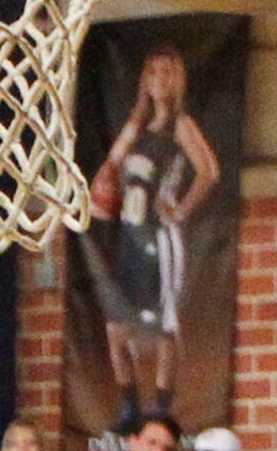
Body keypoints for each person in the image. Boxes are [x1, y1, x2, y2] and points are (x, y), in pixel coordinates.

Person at [89, 45, 218, 428]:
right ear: (144, 80)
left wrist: (181, 209)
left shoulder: (181, 125)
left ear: (177, 79)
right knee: (116, 328)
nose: (159, 79)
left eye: (167, 72)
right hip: (130, 236)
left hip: (159, 238)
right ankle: (129, 407)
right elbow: (109, 167)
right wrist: (103, 186)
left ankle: (161, 408)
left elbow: (209, 171)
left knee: (163, 327)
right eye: (153, 72)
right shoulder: (137, 126)